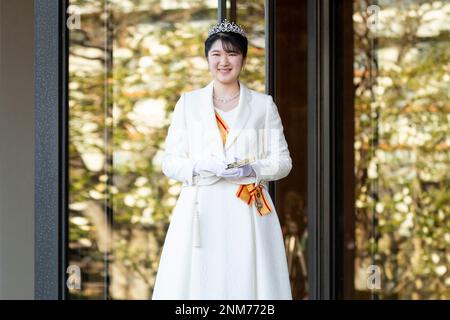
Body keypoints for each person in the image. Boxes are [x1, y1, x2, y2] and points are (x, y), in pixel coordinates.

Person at [152, 19, 293, 300]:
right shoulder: (188, 104)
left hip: (246, 208)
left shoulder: (263, 105)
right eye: (216, 54)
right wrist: (199, 166)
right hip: (200, 208)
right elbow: (170, 161)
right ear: (207, 59)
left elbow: (283, 162)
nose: (223, 61)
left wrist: (253, 168)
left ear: (242, 59)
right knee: (200, 283)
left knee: (246, 284)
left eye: (232, 54)